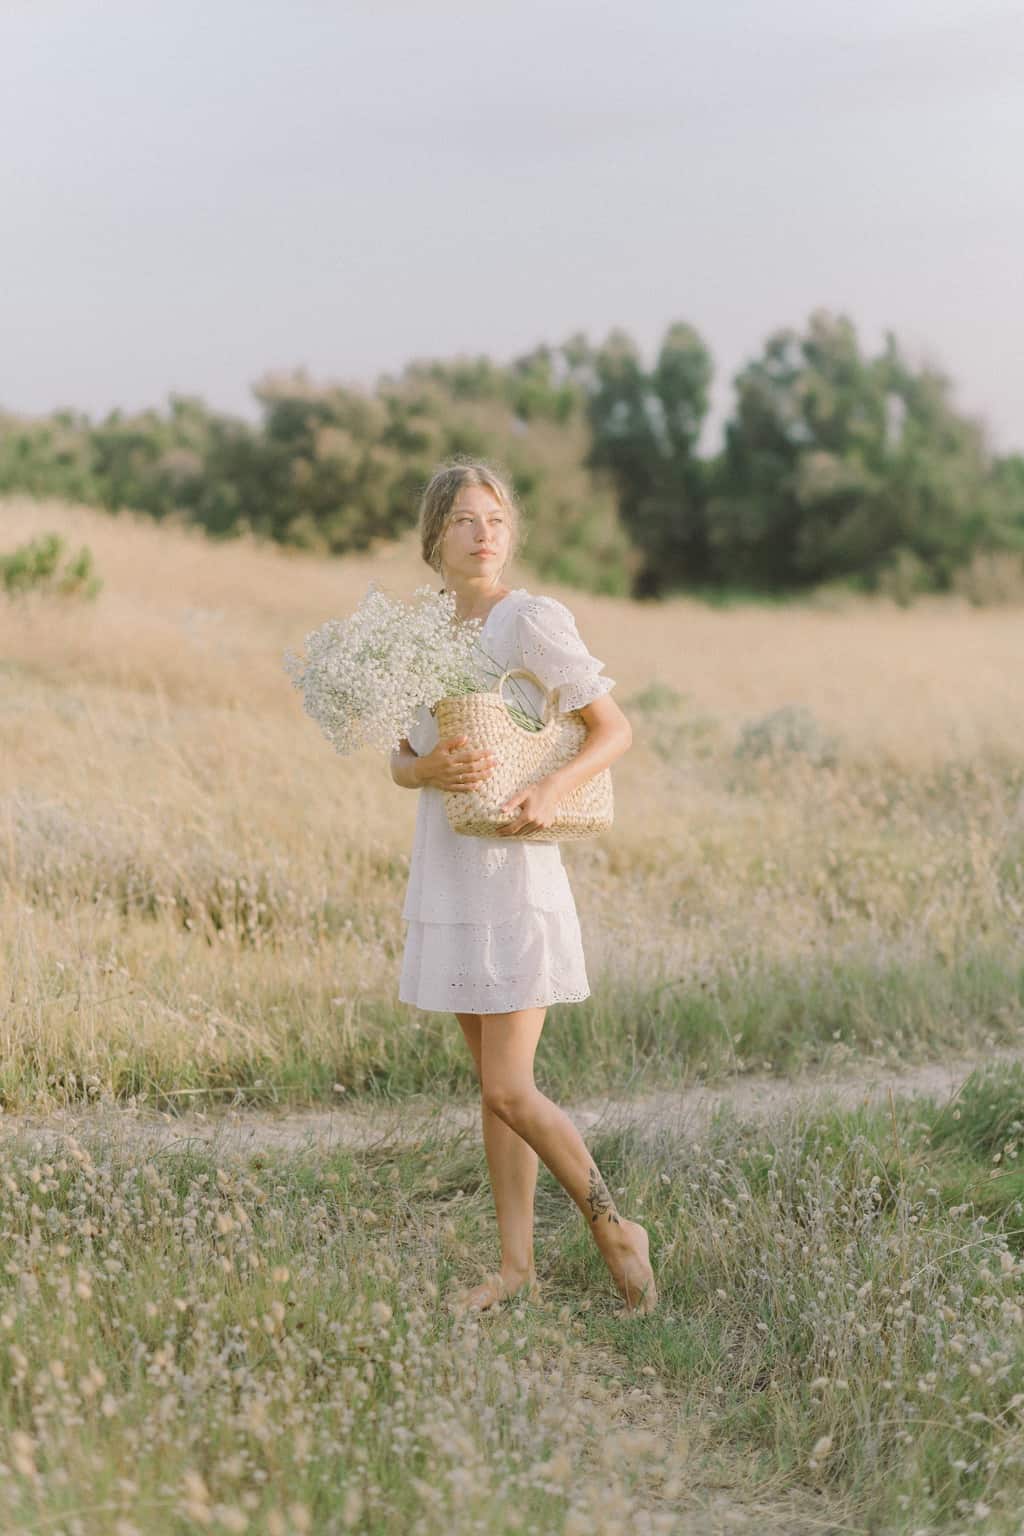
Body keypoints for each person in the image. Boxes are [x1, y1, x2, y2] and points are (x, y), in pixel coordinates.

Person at [389, 459, 656, 1316]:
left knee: (510, 1087)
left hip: (515, 874)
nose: (484, 533)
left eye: (496, 519)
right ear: (436, 536)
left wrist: (551, 789)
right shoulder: (418, 634)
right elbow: (401, 759)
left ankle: (614, 1223)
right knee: (492, 1093)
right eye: (465, 519)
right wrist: (423, 765)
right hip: (450, 868)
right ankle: (513, 1271)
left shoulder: (530, 622)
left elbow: (612, 730)